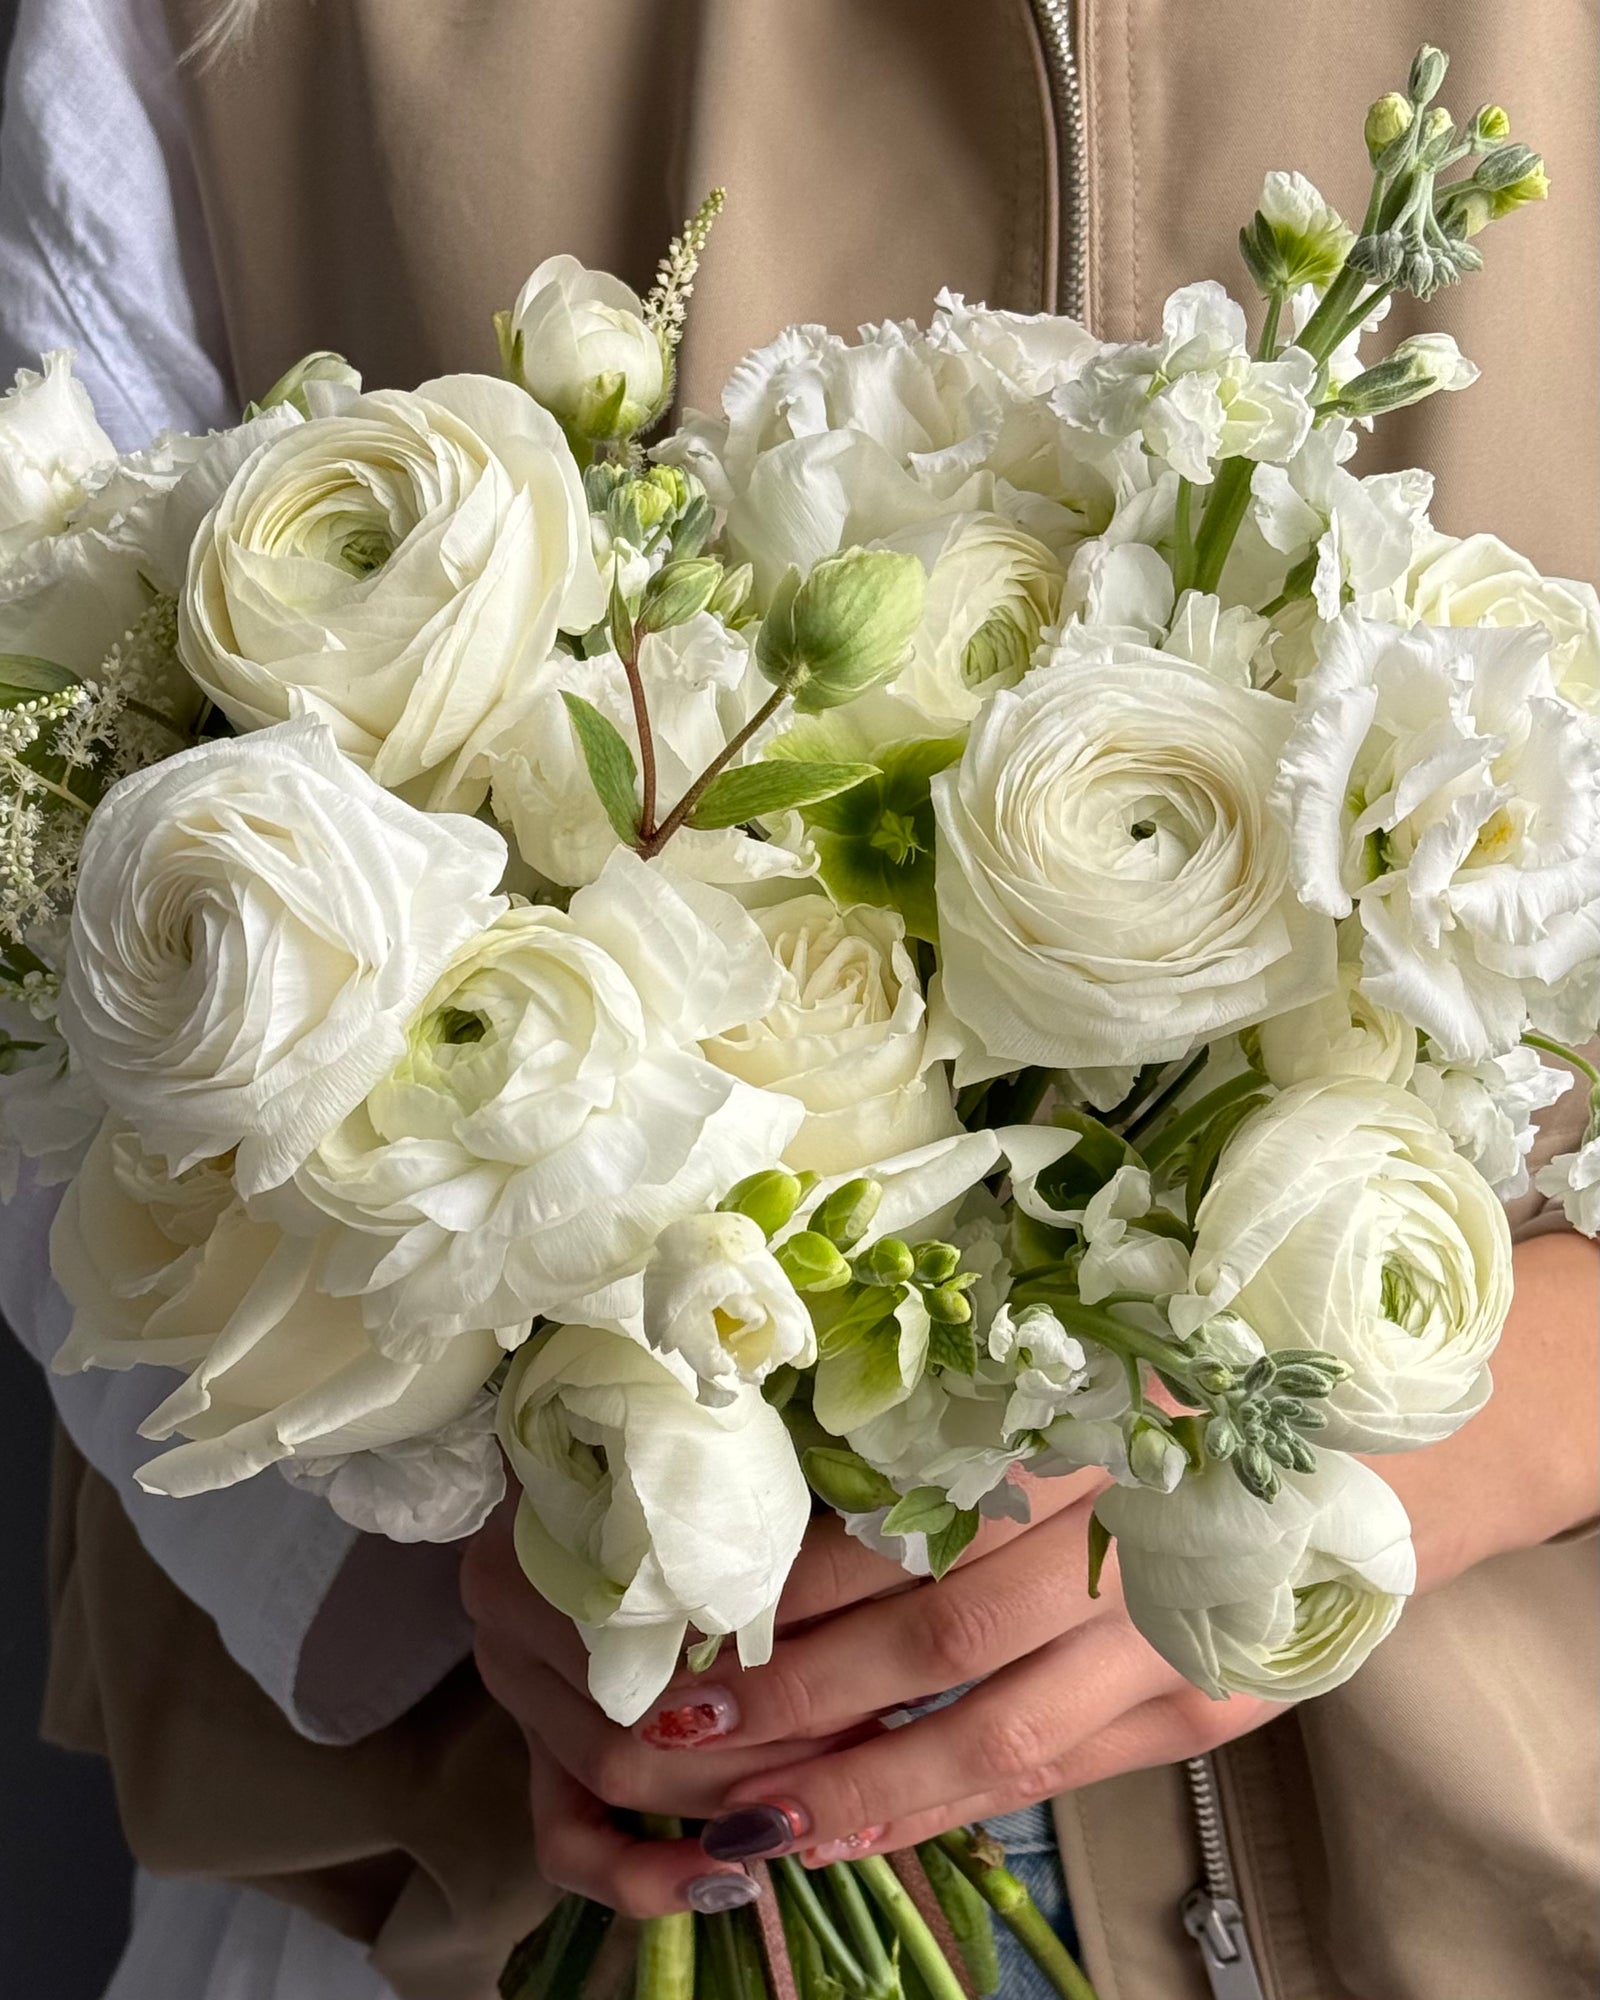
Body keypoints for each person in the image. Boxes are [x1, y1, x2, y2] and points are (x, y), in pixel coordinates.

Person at [1, 2, 1596, 1997]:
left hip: (1498, 1829)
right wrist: (479, 1546)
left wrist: (1500, 1408)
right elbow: (52, 845)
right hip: (494, 1851)